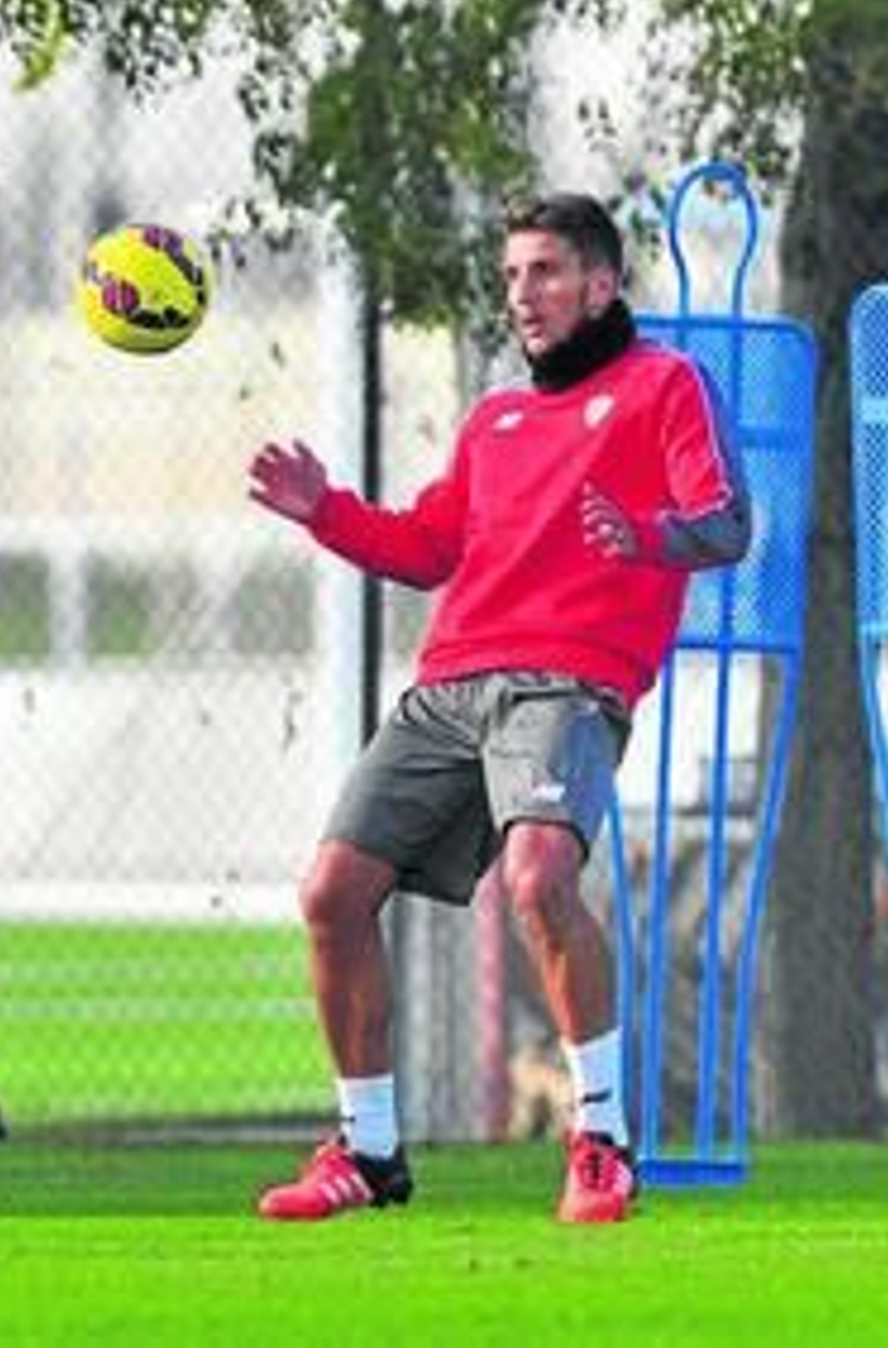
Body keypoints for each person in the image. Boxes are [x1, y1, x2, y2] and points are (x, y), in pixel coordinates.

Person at [246, 193, 751, 1224]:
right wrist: (325, 512)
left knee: (538, 876)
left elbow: (728, 522)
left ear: (602, 284)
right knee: (331, 894)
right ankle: (370, 1154)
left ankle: (601, 1141)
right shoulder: (496, 421)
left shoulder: (664, 385)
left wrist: (648, 537)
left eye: (546, 272)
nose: (522, 293)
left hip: (566, 681)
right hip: (447, 688)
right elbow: (429, 548)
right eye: (513, 274)